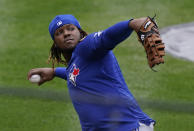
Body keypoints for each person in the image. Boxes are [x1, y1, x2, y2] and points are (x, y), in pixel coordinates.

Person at [28, 14, 155, 131]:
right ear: (55, 44)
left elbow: (107, 37)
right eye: (59, 32)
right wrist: (54, 71)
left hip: (129, 127)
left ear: (80, 32)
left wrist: (131, 24)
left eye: (70, 29)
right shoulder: (76, 61)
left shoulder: (87, 46)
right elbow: (74, 75)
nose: (66, 34)